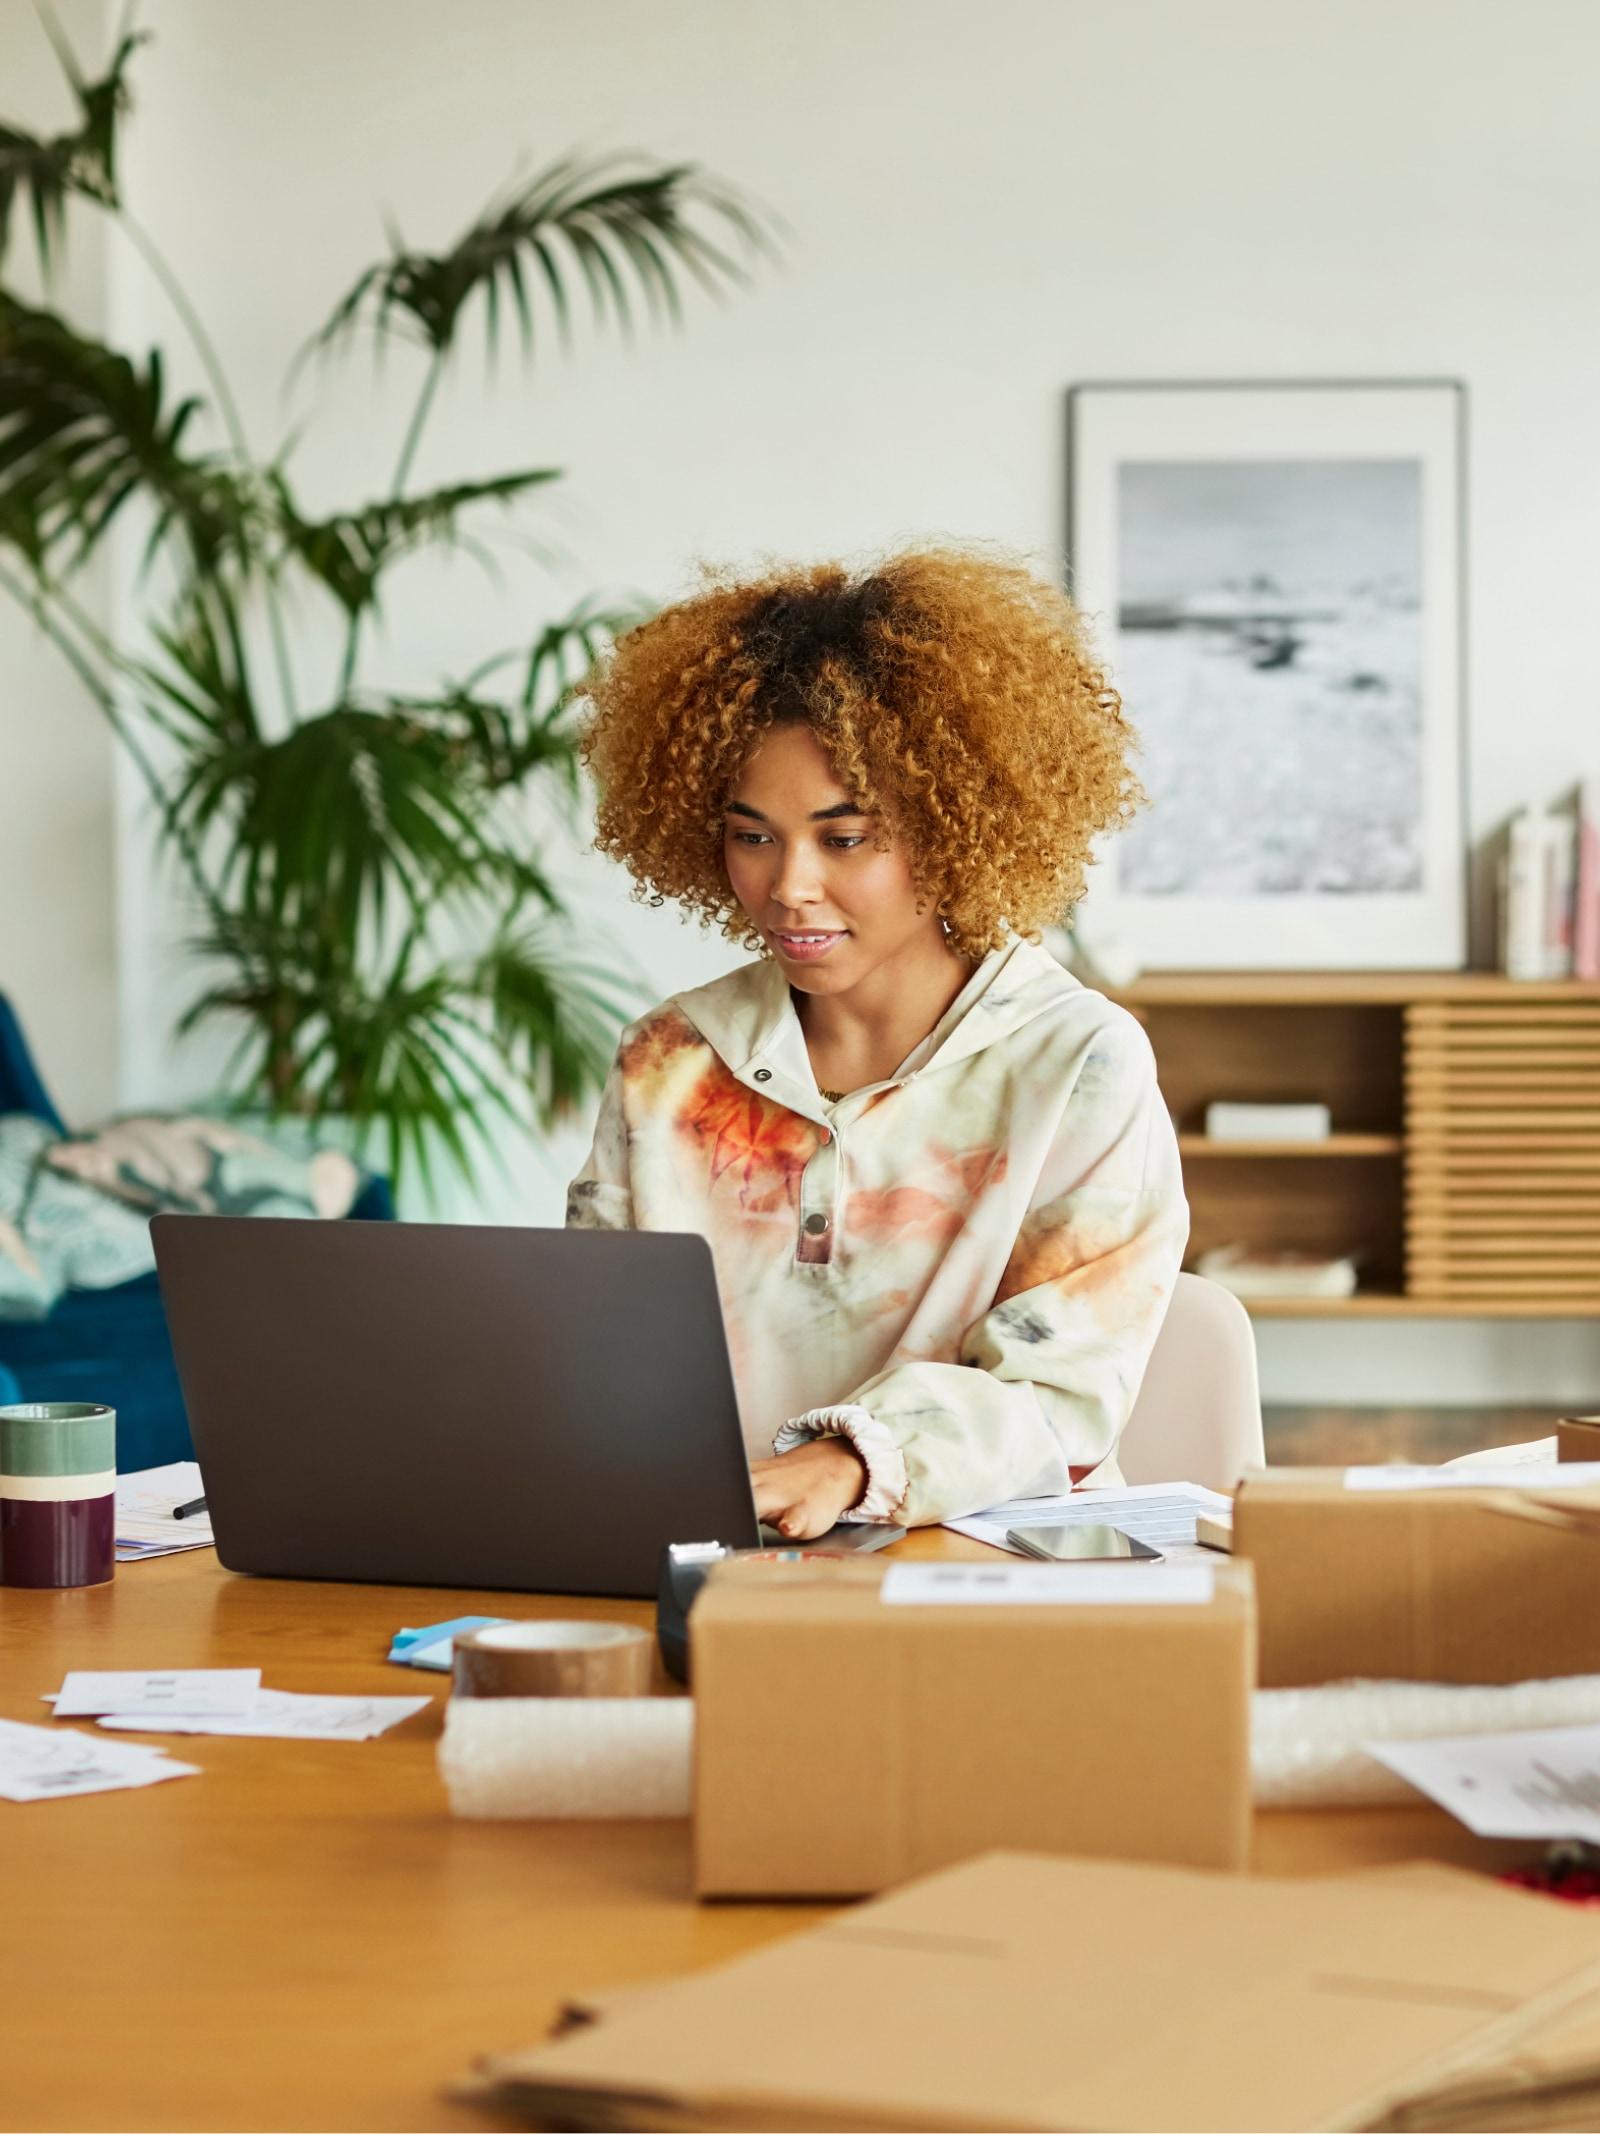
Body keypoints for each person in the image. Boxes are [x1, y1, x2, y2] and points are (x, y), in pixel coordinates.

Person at [566, 546, 1188, 1539]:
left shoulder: (1076, 1063)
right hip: (709, 1562)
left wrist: (852, 1464)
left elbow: (1061, 1394)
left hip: (991, 1573)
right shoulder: (672, 1059)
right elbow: (591, 1355)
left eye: (844, 837)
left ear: (953, 826)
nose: (787, 885)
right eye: (752, 834)